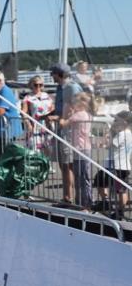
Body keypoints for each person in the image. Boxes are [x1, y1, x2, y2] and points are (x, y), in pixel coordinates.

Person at [49, 64, 84, 204]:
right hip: (62, 129)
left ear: (60, 74)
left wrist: (58, 118)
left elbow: (77, 110)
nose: (51, 76)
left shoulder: (71, 88)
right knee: (63, 164)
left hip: (69, 131)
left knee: (68, 164)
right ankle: (67, 196)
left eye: (53, 73)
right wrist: (50, 115)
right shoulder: (61, 88)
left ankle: (71, 197)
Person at [92, 111, 131, 218]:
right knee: (99, 181)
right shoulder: (123, 133)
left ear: (124, 122)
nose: (114, 122)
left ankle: (121, 211)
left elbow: (110, 145)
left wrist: (111, 132)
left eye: (116, 120)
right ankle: (105, 202)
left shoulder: (123, 134)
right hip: (111, 165)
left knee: (120, 190)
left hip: (119, 166)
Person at [59, 92, 94, 208]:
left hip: (80, 149)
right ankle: (83, 202)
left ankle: (85, 204)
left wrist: (65, 114)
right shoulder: (88, 114)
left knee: (81, 177)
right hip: (85, 148)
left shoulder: (78, 115)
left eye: (74, 103)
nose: (73, 105)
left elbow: (63, 123)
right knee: (83, 176)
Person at [20, 76, 54, 154]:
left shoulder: (47, 96)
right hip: (35, 125)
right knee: (35, 149)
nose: (38, 87)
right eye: (36, 85)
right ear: (31, 85)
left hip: (47, 125)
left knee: (48, 149)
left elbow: (52, 108)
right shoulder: (27, 97)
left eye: (40, 85)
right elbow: (23, 112)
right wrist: (28, 124)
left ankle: (47, 165)